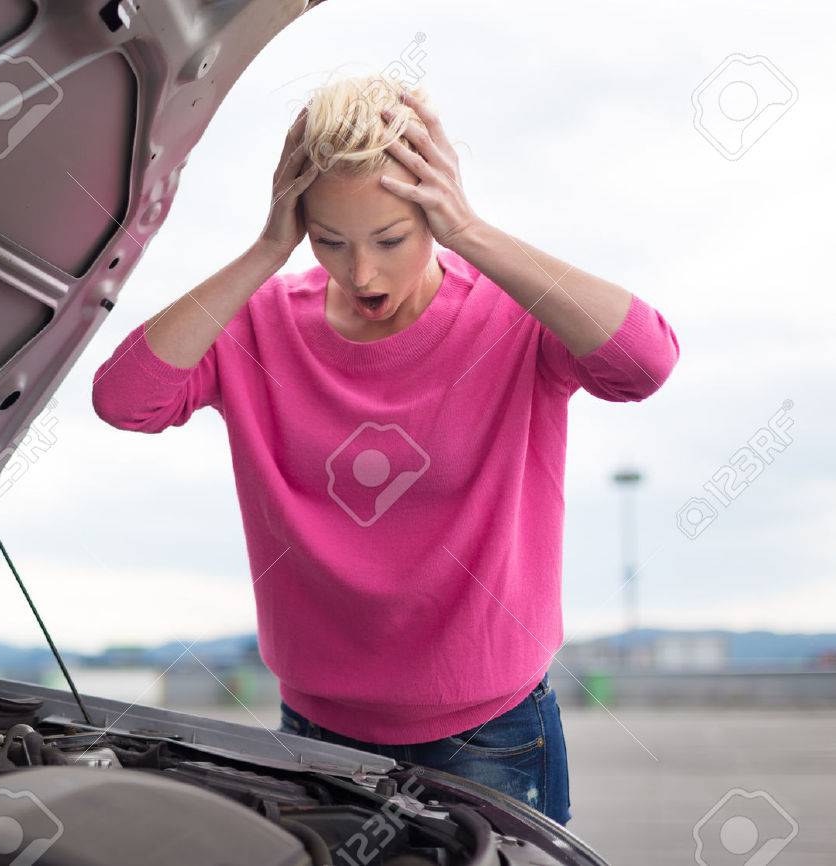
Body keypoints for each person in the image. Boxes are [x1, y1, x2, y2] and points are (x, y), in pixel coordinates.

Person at [89, 75, 680, 826]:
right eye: (330, 240)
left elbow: (644, 364)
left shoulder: (513, 317)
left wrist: (472, 232)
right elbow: (124, 400)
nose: (360, 272)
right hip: (316, 737)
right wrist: (267, 250)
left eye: (391, 239)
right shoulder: (258, 326)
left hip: (490, 738)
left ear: (435, 212)